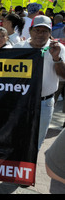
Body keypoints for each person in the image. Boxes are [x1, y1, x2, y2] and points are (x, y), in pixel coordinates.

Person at [13, 15, 65, 149]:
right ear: (30, 31)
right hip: (20, 101)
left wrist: (57, 58)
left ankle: (29, 169)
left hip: (44, 103)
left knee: (36, 142)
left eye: (44, 31)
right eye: (37, 30)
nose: (40, 34)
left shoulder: (58, 48)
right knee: (16, 138)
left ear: (50, 33)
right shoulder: (19, 47)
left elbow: (64, 76)